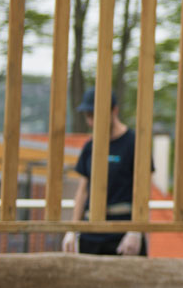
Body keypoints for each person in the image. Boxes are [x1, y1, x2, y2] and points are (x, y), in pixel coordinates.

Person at [62, 88, 148, 257]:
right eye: (88, 116)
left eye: (94, 115)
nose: (91, 121)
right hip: (91, 234)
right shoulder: (90, 146)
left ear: (114, 111)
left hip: (122, 235)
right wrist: (72, 230)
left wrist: (136, 231)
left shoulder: (134, 143)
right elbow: (83, 191)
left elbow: (144, 190)